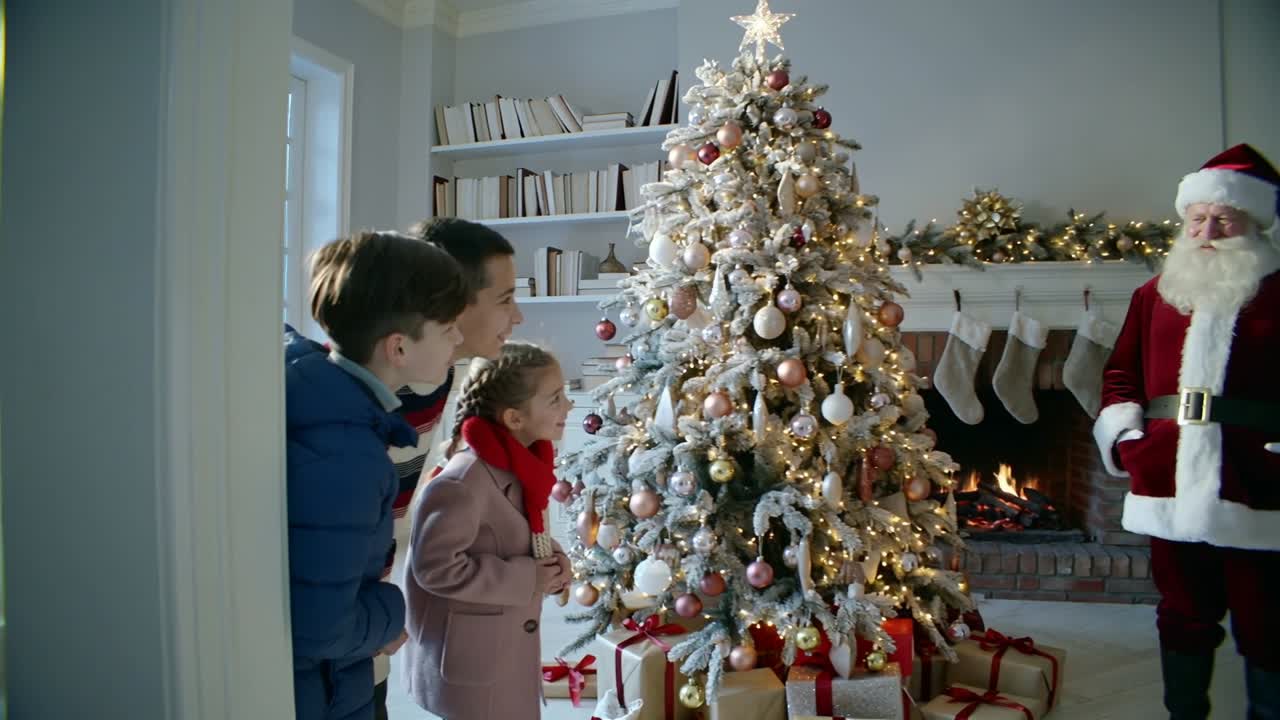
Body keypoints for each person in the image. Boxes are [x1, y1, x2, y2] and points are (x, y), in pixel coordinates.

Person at [1093, 143, 1280, 719]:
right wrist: (1128, 440)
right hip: (1167, 474)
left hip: (1256, 477)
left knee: (1267, 619)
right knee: (1182, 612)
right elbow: (1121, 372)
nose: (1207, 230)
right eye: (1197, 217)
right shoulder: (1154, 295)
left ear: (1252, 221)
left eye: (1222, 218)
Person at [286, 231, 468, 720]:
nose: (459, 338)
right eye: (448, 326)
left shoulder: (334, 407)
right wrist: (391, 613)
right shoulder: (349, 457)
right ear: (399, 349)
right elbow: (321, 628)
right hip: (325, 696)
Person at [374, 218, 525, 717]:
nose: (518, 316)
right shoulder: (388, 393)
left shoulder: (438, 378)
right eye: (504, 299)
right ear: (453, 303)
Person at [401, 342, 574, 720]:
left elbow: (509, 530)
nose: (568, 406)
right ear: (514, 417)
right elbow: (435, 569)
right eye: (555, 398)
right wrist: (530, 576)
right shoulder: (462, 482)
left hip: (501, 651)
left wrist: (551, 561)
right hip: (472, 661)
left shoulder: (520, 464)